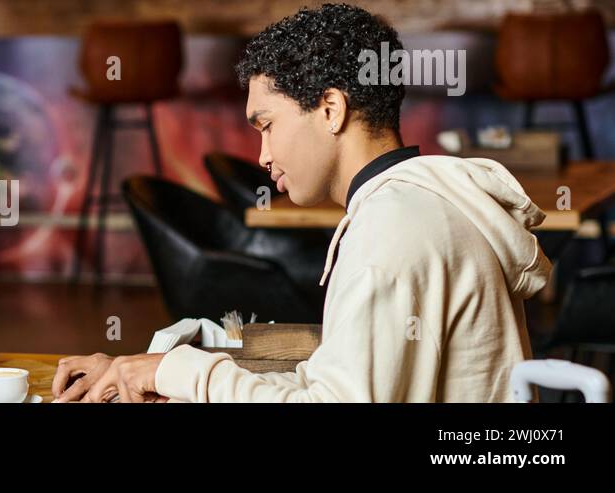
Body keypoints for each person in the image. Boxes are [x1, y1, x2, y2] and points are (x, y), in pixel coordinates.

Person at [53, 3, 551, 403]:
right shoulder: (417, 202)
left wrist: (183, 373)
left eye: (267, 124)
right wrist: (161, 373)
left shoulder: (393, 227)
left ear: (331, 110)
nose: (264, 155)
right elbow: (334, 383)